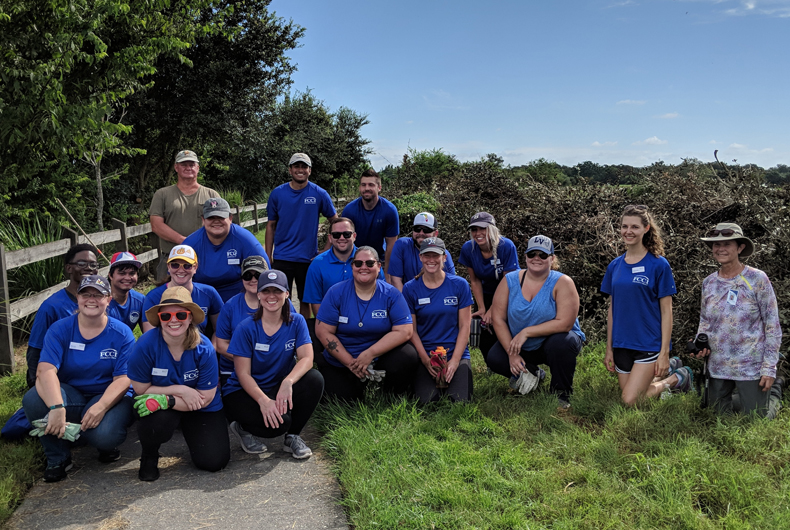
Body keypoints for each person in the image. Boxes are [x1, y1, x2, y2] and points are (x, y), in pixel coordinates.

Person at [22, 275, 136, 482]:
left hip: (107, 394)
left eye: (98, 295)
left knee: (106, 435)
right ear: (78, 298)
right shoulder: (60, 329)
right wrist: (57, 407)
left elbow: (123, 378)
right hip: (71, 393)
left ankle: (100, 443)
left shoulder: (122, 333)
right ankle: (58, 457)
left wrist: (101, 407)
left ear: (108, 300)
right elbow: (45, 370)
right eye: (86, 294)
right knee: (33, 399)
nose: (91, 299)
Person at [128, 286, 230, 481]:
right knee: (154, 420)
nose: (173, 320)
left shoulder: (204, 347)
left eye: (180, 314)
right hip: (168, 403)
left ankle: (190, 430)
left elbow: (206, 397)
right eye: (166, 316)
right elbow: (141, 389)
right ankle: (149, 455)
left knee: (215, 462)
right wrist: (179, 392)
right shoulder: (145, 345)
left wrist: (170, 400)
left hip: (200, 406)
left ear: (190, 317)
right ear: (159, 319)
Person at [223, 270, 324, 458]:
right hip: (243, 391)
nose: (272, 296)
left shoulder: (297, 322)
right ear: (259, 294)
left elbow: (307, 358)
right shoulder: (245, 328)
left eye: (277, 291)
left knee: (314, 380)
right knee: (276, 426)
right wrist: (263, 401)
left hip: (277, 385)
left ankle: (293, 437)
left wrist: (288, 382)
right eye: (266, 291)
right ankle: (242, 427)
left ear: (287, 294)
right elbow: (243, 374)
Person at [601, 205, 690, 406]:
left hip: (649, 343)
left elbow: (667, 311)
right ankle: (668, 370)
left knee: (630, 400)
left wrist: (664, 352)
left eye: (634, 226)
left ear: (646, 229)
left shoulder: (659, 265)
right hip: (622, 343)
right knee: (631, 395)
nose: (628, 231)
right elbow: (612, 309)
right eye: (624, 226)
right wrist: (609, 348)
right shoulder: (615, 266)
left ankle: (676, 379)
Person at [692, 223, 782, 417]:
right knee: (714, 417)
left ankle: (775, 394)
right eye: (716, 245)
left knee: (756, 419)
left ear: (740, 247)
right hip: (717, 364)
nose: (720, 248)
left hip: (751, 364)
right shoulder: (709, 283)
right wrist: (701, 342)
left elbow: (772, 325)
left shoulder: (757, 279)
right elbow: (705, 320)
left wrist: (769, 368)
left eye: (727, 244)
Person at [487, 236, 586, 409]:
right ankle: (533, 373)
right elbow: (498, 318)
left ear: (552, 258)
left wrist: (526, 332)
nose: (536, 258)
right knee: (495, 357)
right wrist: (512, 353)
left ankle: (560, 394)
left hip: (552, 341)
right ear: (525, 256)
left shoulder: (562, 282)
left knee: (564, 342)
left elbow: (565, 324)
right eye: (532, 253)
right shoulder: (510, 280)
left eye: (543, 255)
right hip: (521, 345)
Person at [315, 247, 419, 401]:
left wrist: (370, 354)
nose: (364, 267)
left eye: (370, 263)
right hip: (343, 359)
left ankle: (390, 393)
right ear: (352, 267)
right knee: (343, 401)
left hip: (379, 356)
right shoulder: (336, 292)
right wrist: (351, 363)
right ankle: (357, 382)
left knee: (407, 355)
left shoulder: (391, 294)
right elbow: (323, 332)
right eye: (358, 263)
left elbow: (405, 330)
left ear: (379, 267)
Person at [266, 153, 337, 319]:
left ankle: (303, 333)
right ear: (290, 170)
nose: (300, 170)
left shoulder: (319, 194)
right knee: (279, 298)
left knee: (306, 301)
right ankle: (283, 333)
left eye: (304, 166)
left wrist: (326, 250)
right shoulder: (277, 194)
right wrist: (268, 255)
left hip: (308, 259)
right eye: (296, 166)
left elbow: (335, 221)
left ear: (310, 170)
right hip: (282, 257)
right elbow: (271, 225)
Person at [402, 238, 473, 403]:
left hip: (456, 353)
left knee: (460, 401)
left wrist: (455, 361)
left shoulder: (460, 285)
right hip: (426, 353)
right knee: (427, 401)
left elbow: (465, 326)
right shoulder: (410, 288)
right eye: (427, 255)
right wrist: (426, 361)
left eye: (436, 255)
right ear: (420, 257)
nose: (431, 260)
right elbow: (411, 330)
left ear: (444, 257)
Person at [26, 243, 99, 388]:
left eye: (93, 264)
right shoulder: (52, 306)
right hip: (59, 378)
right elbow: (35, 350)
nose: (88, 268)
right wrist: (38, 384)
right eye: (81, 263)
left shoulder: (100, 304)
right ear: (69, 268)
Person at [457, 212, 519, 362]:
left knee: (500, 323)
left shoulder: (506, 246)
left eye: (482, 229)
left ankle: (513, 358)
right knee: (484, 326)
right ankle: (491, 364)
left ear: (492, 229)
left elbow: (508, 281)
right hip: (485, 292)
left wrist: (493, 309)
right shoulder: (468, 249)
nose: (478, 233)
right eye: (474, 229)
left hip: (508, 292)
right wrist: (483, 308)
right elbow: (475, 279)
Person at [183, 197, 270, 302]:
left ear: (230, 218)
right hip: (202, 298)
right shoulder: (190, 244)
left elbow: (265, 272)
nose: (216, 221)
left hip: (239, 297)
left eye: (221, 217)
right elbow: (176, 276)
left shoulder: (245, 239)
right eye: (211, 218)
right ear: (203, 219)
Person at [149, 150, 219, 282]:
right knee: (167, 298)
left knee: (205, 296)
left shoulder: (211, 195)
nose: (188, 168)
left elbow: (220, 224)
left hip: (204, 255)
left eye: (191, 164)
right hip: (171, 258)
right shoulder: (162, 194)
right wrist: (185, 242)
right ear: (176, 167)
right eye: (183, 164)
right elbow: (156, 225)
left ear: (198, 168)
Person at [141, 245, 223, 335]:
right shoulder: (153, 297)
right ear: (168, 267)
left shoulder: (209, 293)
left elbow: (220, 331)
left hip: (200, 346)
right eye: (175, 265)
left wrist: (211, 348)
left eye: (187, 266)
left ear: (195, 267)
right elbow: (149, 335)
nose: (181, 270)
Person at [340, 169, 399, 280]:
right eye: (363, 185)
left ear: (379, 188)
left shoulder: (389, 210)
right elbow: (344, 240)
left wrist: (387, 274)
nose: (367, 188)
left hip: (378, 260)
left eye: (371, 185)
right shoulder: (350, 210)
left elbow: (391, 244)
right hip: (354, 259)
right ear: (360, 188)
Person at [389, 212, 456, 292]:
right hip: (408, 298)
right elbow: (395, 280)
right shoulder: (401, 245)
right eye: (417, 229)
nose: (421, 233)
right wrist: (405, 303)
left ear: (436, 233)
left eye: (426, 230)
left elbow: (451, 284)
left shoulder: (443, 254)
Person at [107, 251, 145, 332]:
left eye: (132, 273)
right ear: (110, 275)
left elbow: (148, 334)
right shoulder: (100, 301)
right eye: (122, 273)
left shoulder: (140, 301)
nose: (127, 278)